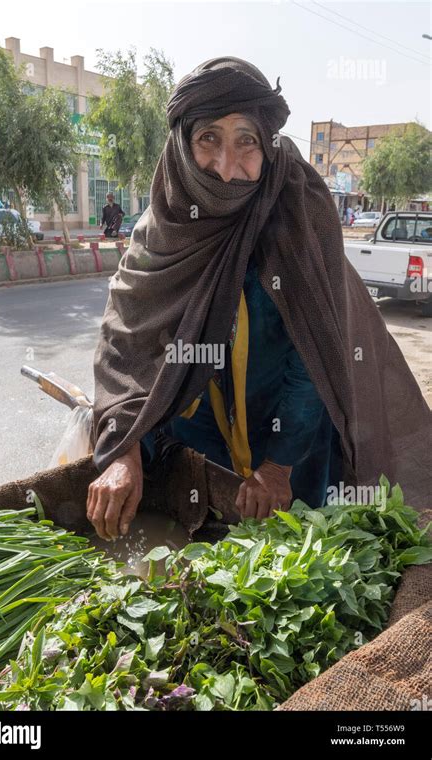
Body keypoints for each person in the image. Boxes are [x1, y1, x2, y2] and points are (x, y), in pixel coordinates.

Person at [87, 56, 431, 541]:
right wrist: (123, 448)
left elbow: (316, 356)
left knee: (295, 572)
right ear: (183, 145)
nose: (228, 168)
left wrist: (279, 466)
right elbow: (124, 343)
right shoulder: (162, 230)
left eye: (246, 140)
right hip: (197, 445)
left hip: (294, 449)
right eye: (209, 138)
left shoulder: (298, 215)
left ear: (267, 146)